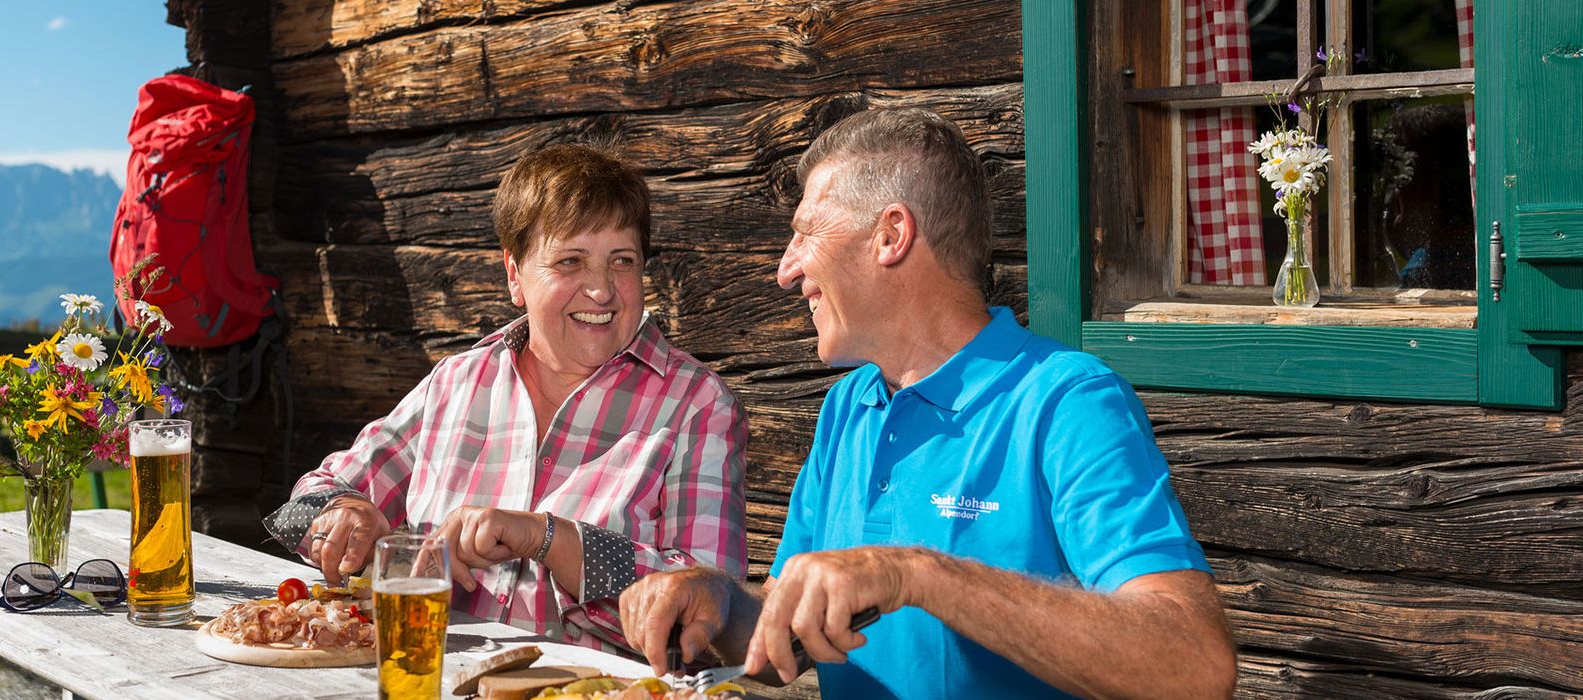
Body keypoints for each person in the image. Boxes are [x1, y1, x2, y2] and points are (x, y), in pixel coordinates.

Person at [618, 108, 1237, 698]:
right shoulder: (848, 407)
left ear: (891, 235)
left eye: (805, 232)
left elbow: (1195, 666)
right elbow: (791, 639)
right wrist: (721, 602)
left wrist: (917, 574)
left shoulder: (1066, 401)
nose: (786, 270)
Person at [264, 144, 748, 655]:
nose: (602, 290)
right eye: (570, 261)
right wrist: (343, 514)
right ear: (515, 275)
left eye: (621, 261)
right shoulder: (459, 382)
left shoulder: (696, 403)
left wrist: (549, 538)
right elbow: (301, 506)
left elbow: (713, 606)